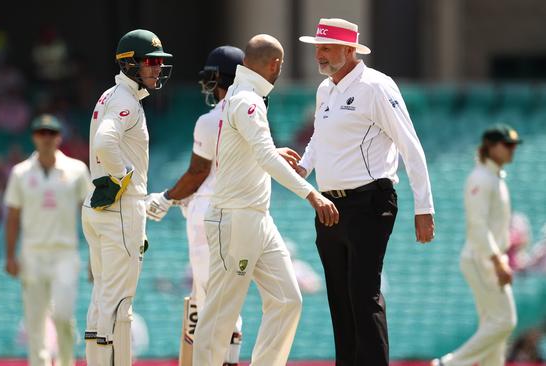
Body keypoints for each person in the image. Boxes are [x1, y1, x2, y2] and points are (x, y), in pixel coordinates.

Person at [192, 34, 338, 366]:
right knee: (221, 312)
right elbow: (265, 159)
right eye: (280, 66)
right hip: (235, 217)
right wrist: (312, 194)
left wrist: (273, 151)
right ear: (275, 65)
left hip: (257, 217)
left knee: (288, 299)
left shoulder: (248, 97)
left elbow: (258, 152)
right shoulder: (247, 100)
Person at [297, 18, 435, 365]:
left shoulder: (376, 86)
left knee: (362, 294)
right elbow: (319, 138)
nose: (320, 55)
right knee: (340, 300)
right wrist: (301, 168)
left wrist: (424, 208)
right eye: (318, 48)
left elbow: (410, 145)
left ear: (349, 50)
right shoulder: (326, 89)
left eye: (326, 47)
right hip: (329, 206)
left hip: (369, 201)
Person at [144, 45, 245, 366]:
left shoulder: (210, 119)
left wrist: (167, 198)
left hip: (208, 216)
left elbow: (198, 172)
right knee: (230, 301)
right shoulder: (255, 116)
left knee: (206, 300)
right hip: (241, 215)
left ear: (216, 79)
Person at [81, 29, 172, 366]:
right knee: (119, 303)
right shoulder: (125, 101)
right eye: (151, 62)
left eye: (160, 62)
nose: (158, 69)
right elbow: (105, 142)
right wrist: (123, 178)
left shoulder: (110, 95)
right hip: (121, 207)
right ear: (130, 63)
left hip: (100, 207)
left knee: (102, 296)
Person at [4, 114, 90, 366]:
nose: (46, 138)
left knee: (63, 315)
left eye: (51, 133)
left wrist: (95, 255)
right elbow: (13, 215)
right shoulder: (20, 173)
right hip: (32, 254)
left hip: (65, 253)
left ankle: (65, 362)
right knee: (35, 321)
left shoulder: (76, 170)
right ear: (34, 137)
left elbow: (89, 212)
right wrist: (10, 255)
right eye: (41, 133)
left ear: (59, 137)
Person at [432, 124, 521, 366]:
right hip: (482, 259)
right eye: (507, 145)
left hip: (488, 258)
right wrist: (496, 260)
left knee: (494, 326)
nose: (512, 150)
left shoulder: (493, 177)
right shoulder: (480, 178)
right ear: (490, 147)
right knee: (505, 321)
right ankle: (448, 364)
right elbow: (478, 225)